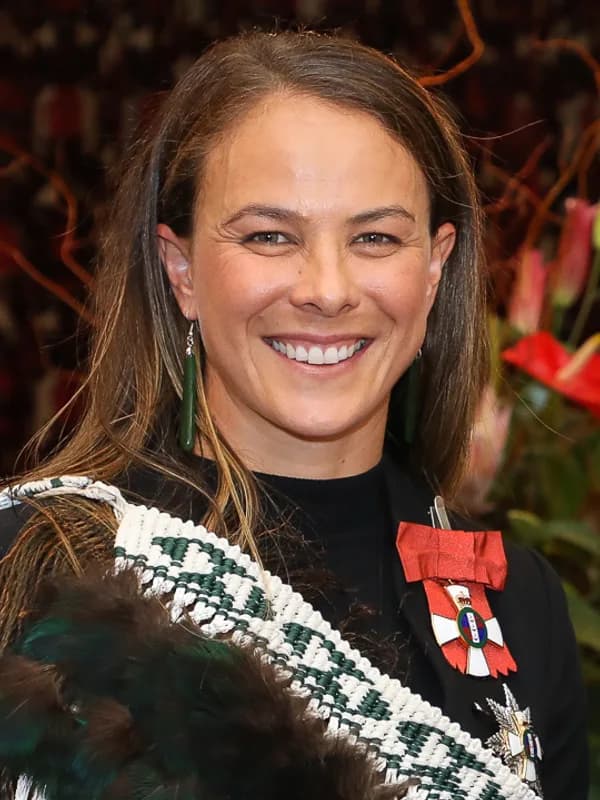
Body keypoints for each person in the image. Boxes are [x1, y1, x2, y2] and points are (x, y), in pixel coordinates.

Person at [0, 30, 588, 800]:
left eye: (375, 237)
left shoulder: (519, 604)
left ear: (434, 269)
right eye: (270, 236)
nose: (327, 290)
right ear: (181, 270)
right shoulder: (35, 560)